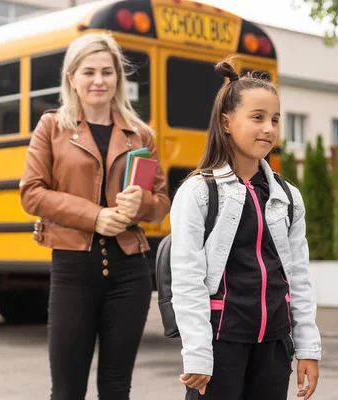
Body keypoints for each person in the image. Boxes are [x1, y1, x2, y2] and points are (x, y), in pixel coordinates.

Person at [19, 32, 170, 400]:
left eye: (107, 71)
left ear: (118, 77)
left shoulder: (140, 135)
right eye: (88, 72)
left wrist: (142, 206)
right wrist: (95, 216)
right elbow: (31, 192)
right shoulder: (52, 127)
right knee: (67, 391)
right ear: (71, 77)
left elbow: (161, 201)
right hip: (73, 271)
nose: (99, 80)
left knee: (117, 389)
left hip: (130, 274)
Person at [169, 58, 321, 400]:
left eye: (275, 120)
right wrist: (197, 353)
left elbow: (297, 275)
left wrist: (308, 348)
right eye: (257, 118)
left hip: (275, 345)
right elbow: (187, 278)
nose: (268, 128)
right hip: (222, 342)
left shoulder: (288, 196)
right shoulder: (198, 192)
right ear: (226, 122)